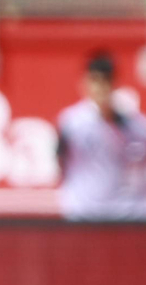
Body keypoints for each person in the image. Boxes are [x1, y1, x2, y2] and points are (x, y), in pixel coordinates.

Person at [56, 51, 146, 220]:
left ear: (114, 83)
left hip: (125, 214)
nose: (100, 88)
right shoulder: (72, 124)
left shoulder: (135, 125)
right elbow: (60, 162)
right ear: (85, 83)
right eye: (95, 80)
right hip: (84, 212)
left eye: (106, 81)